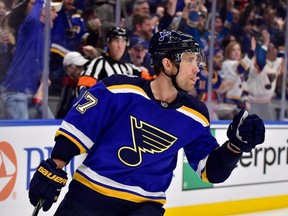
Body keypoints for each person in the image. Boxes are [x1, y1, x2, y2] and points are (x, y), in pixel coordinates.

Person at [28, 29, 265, 216]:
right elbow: (78, 129)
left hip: (144, 207)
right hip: (88, 196)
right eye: (191, 60)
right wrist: (56, 164)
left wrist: (234, 147)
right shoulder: (117, 89)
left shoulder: (196, 114)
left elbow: (209, 172)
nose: (198, 68)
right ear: (167, 64)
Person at [0, 0, 62, 119]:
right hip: (16, 92)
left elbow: (41, 63)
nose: (56, 15)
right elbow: (33, 18)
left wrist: (44, 77)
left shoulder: (45, 35)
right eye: (53, 10)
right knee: (21, 135)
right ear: (43, 12)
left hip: (34, 93)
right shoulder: (30, 28)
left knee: (52, 130)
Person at [76, 26, 153, 96]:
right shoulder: (98, 64)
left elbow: (153, 82)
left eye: (123, 42)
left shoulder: (131, 68)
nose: (120, 46)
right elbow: (83, 89)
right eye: (116, 41)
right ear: (108, 43)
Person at [55, 51, 89, 119]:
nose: (82, 69)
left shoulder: (85, 82)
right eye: (78, 67)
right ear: (68, 67)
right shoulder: (63, 83)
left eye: (82, 66)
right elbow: (61, 110)